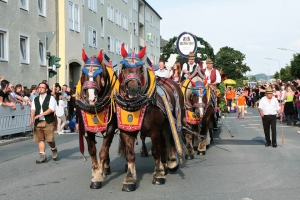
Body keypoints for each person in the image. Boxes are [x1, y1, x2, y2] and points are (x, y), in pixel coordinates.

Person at [29, 82, 58, 164]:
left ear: (46, 89)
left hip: (48, 121)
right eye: (39, 87)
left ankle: (53, 149)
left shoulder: (51, 98)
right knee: (40, 139)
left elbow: (51, 109)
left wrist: (41, 114)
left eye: (42, 87)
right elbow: (33, 109)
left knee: (49, 140)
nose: (40, 88)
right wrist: (31, 119)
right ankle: (42, 156)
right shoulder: (35, 99)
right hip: (38, 122)